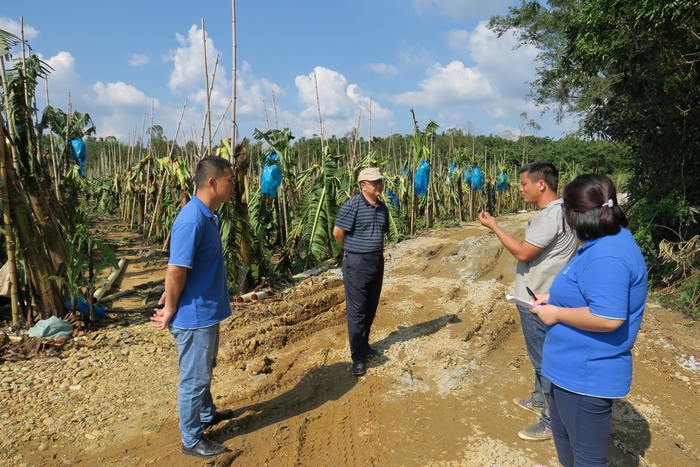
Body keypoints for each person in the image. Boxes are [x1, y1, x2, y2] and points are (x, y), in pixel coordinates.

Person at [530, 174, 647, 467]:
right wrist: (553, 298)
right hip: (569, 368)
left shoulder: (607, 255)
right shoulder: (605, 241)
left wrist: (556, 313)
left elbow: (607, 317)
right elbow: (589, 293)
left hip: (584, 374)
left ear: (574, 213)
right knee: (566, 442)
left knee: (587, 459)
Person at [478, 161, 578, 441]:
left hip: (537, 298)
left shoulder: (549, 216)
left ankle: (550, 421)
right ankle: (537, 400)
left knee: (544, 360)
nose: (520, 189)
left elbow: (523, 253)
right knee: (542, 357)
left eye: (524, 184)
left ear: (541, 184)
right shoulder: (566, 211)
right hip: (549, 294)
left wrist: (494, 227)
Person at [151, 155, 235, 459]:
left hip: (206, 310)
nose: (234, 185)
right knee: (195, 377)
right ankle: (191, 439)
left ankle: (206, 413)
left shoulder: (210, 215)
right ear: (212, 183)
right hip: (194, 315)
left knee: (205, 368)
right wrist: (171, 307)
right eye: (230, 179)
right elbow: (176, 268)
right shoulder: (192, 219)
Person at [333, 167, 389, 377]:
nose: (379, 185)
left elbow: (380, 233)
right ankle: (357, 356)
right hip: (357, 262)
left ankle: (364, 345)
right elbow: (338, 233)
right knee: (357, 312)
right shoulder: (352, 205)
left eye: (380, 182)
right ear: (363, 185)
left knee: (371, 306)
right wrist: (351, 251)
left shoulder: (382, 208)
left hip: (376, 260)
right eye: (374, 182)